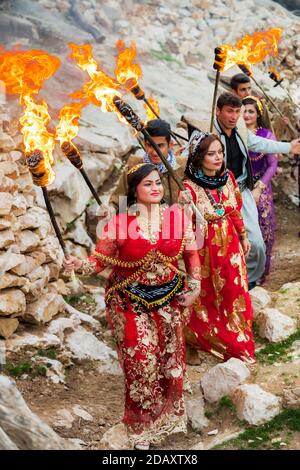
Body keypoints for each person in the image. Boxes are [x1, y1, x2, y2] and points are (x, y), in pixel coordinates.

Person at [63, 163, 201, 450]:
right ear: (134, 190)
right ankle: (141, 425)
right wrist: (79, 265)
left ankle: (168, 418)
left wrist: (196, 286)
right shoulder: (119, 223)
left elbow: (191, 253)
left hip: (168, 300)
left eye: (158, 183)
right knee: (142, 362)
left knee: (169, 362)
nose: (156, 188)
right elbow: (99, 261)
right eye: (148, 184)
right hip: (129, 301)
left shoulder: (177, 217)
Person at [181, 92, 300, 288]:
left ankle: (250, 282)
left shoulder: (241, 128)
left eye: (238, 111)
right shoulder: (206, 132)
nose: (234, 116)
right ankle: (222, 285)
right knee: (219, 246)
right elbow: (191, 157)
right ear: (218, 111)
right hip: (214, 195)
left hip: (241, 191)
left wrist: (288, 147)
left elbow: (258, 143)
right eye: (229, 111)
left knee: (256, 244)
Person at [179, 132, 255, 363]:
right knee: (206, 294)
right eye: (211, 154)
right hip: (203, 246)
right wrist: (184, 206)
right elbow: (184, 226)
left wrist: (243, 236)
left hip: (230, 242)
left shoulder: (228, 177)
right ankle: (195, 339)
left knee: (234, 291)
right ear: (199, 157)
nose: (218, 157)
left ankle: (237, 342)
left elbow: (234, 210)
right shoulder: (188, 187)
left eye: (220, 152)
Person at [106, 119, 187, 217]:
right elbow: (120, 200)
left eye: (160, 146)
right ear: (144, 144)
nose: (154, 151)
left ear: (170, 144)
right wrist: (111, 210)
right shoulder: (133, 167)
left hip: (177, 226)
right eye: (150, 145)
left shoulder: (183, 167)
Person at [243, 95, 278, 282]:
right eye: (243, 111)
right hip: (240, 187)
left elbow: (273, 164)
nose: (246, 115)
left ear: (258, 114)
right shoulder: (234, 134)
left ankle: (261, 274)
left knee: (264, 229)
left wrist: (259, 188)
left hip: (260, 186)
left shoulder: (266, 135)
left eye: (251, 111)